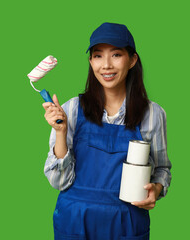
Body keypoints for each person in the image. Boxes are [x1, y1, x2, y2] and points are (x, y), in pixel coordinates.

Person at [42, 22, 172, 240]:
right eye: (98, 56)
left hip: (127, 223)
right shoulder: (71, 109)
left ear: (132, 60)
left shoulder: (152, 114)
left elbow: (161, 169)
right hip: (75, 221)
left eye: (116, 55)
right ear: (91, 62)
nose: (106, 65)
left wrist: (156, 190)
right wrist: (61, 132)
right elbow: (59, 182)